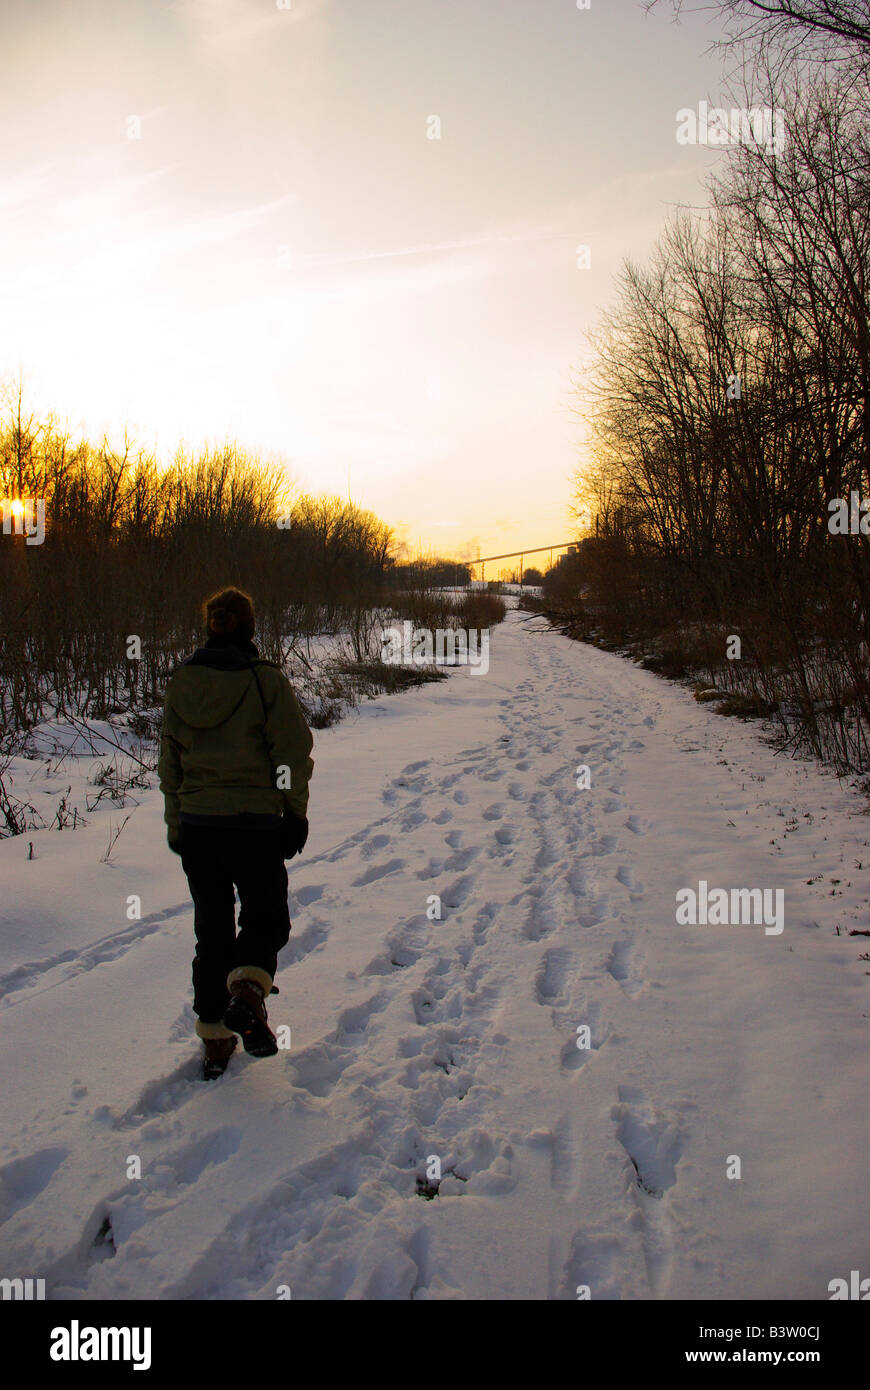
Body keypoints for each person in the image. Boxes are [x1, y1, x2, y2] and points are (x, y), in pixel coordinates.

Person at [158, 587, 314, 1079]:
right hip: (256, 825)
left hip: (201, 827)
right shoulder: (264, 681)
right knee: (267, 920)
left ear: (210, 627)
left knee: (212, 932)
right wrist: (293, 812)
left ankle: (215, 1042)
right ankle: (247, 993)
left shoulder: (181, 681)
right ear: (250, 628)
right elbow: (290, 755)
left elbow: (170, 765)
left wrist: (177, 823)